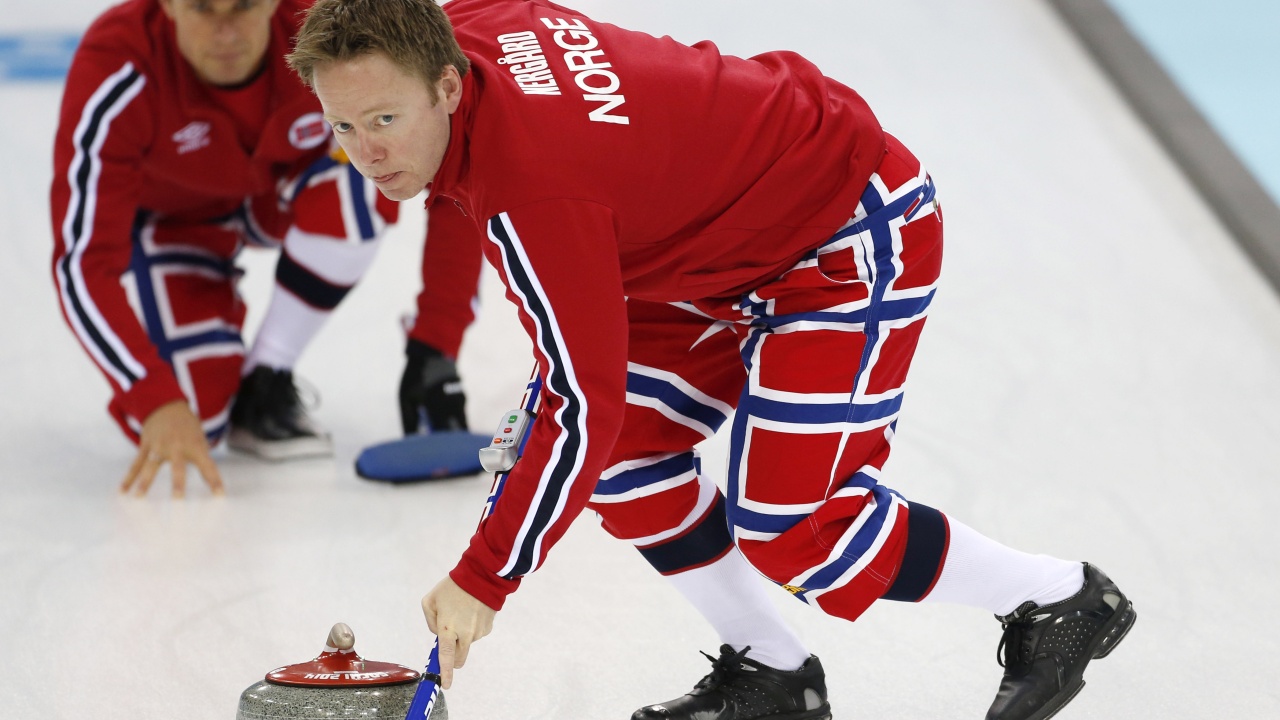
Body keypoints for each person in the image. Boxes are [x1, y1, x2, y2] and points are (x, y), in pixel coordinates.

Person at [287, 1, 1139, 719]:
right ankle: (773, 673)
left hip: (839, 232)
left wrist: (483, 578)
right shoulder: (445, 26)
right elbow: (588, 405)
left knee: (791, 523)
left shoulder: (535, 190)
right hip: (711, 246)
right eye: (343, 125)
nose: (367, 152)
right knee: (620, 458)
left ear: (446, 85)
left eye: (386, 121)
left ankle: (1059, 596)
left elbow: (583, 404)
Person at [50, 0, 468, 497]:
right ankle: (217, 376)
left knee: (356, 186)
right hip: (174, 225)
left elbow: (453, 153)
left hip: (277, 195)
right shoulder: (117, 64)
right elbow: (81, 263)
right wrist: (155, 399)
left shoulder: (334, 25)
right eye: (203, 9)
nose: (226, 33)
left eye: (244, 6)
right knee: (194, 417)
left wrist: (435, 345)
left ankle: (268, 372)